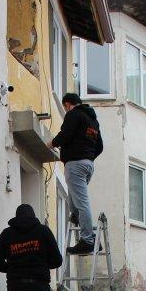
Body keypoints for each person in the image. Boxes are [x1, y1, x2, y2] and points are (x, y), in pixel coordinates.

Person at [51, 92, 103, 255]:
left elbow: (65, 134)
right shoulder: (93, 121)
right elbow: (100, 146)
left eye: (65, 107)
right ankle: (78, 218)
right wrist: (87, 156)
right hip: (88, 165)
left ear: (67, 105)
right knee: (75, 201)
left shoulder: (73, 114)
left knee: (81, 203)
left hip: (75, 164)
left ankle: (88, 240)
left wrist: (51, 143)